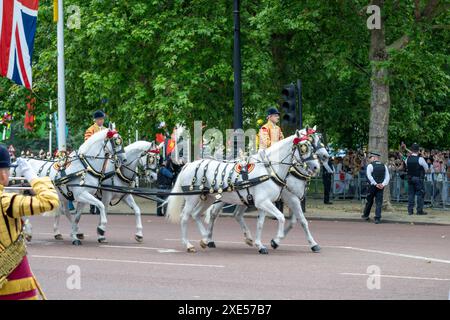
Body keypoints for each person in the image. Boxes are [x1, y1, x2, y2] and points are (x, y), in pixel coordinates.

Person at [0, 146, 60, 300]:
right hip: (12, 282)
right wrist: (34, 178)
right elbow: (50, 201)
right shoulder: (6, 202)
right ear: (2, 174)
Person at [259, 107, 284, 213]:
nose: (278, 117)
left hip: (276, 155)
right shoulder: (264, 128)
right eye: (275, 115)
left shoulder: (278, 129)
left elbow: (282, 140)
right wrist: (279, 146)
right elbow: (266, 143)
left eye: (278, 115)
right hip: (265, 154)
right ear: (269, 117)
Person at [85, 110, 107, 214]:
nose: (101, 121)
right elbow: (88, 143)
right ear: (95, 120)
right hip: (93, 158)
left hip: (104, 158)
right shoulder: (90, 130)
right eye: (99, 119)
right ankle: (92, 205)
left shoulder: (106, 130)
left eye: (102, 119)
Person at [361, 151, 390, 224]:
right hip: (381, 187)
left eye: (370, 157)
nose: (370, 159)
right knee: (379, 202)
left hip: (372, 186)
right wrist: (382, 184)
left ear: (374, 157)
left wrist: (375, 184)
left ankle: (365, 215)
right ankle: (377, 218)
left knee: (369, 201)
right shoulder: (384, 166)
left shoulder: (370, 166)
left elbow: (369, 176)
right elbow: (387, 177)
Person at [405, 143, 429, 215]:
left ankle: (410, 211)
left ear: (411, 150)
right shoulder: (420, 159)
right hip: (418, 178)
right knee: (420, 194)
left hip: (409, 178)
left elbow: (407, 166)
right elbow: (427, 168)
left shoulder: (407, 159)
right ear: (418, 150)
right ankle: (419, 211)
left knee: (411, 195)